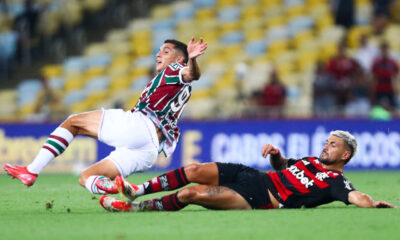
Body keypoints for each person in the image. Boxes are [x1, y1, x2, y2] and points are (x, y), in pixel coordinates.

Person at [4, 37, 208, 195]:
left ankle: (31, 170)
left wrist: (193, 59)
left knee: (73, 122)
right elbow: (191, 78)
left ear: (180, 58)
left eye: (166, 51)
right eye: (159, 50)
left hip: (139, 126)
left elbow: (192, 74)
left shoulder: (176, 69)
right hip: (150, 150)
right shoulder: (179, 83)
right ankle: (108, 195)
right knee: (86, 178)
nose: (158, 54)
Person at [100, 130, 396, 212]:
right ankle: (135, 190)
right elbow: (282, 168)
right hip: (253, 175)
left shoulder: (336, 181)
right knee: (193, 169)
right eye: (326, 142)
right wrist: (277, 156)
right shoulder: (309, 161)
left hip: (262, 197)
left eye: (332, 146)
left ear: (345, 155)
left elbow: (356, 197)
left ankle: (133, 209)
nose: (325, 147)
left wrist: (374, 203)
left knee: (190, 194)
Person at [371, 41, 399, 111]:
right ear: (380, 50)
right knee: (378, 107)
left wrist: (396, 88)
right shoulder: (376, 63)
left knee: (393, 108)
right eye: (383, 49)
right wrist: (373, 89)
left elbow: (395, 77)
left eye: (385, 49)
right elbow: (374, 77)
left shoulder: (392, 63)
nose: (384, 51)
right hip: (379, 87)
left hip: (389, 87)